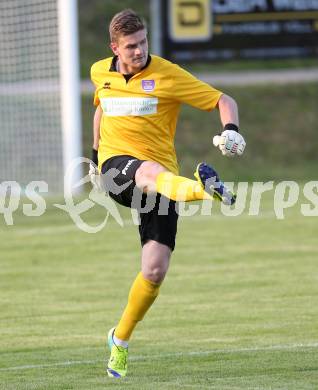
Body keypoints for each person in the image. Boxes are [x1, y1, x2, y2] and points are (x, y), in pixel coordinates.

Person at [89, 9, 246, 378]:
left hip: (163, 181)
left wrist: (232, 129)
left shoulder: (167, 73)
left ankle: (120, 340)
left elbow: (224, 100)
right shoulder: (100, 71)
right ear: (115, 47)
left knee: (155, 270)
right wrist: (96, 156)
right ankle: (206, 191)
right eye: (131, 46)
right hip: (120, 168)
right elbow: (100, 107)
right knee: (149, 172)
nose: (139, 51)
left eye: (143, 43)